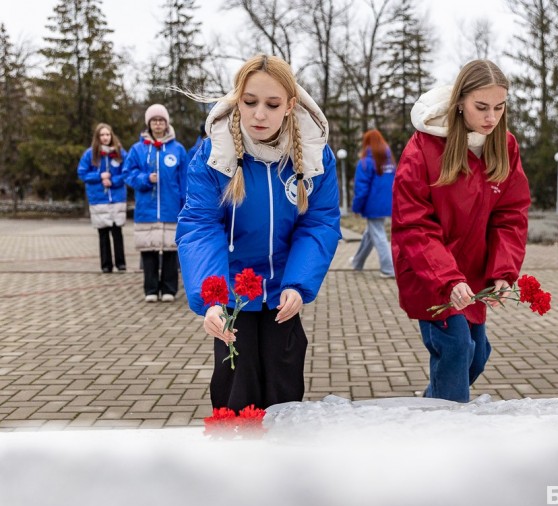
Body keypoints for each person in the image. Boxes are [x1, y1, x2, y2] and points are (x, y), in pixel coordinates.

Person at [176, 55, 341, 413]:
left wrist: (298, 284)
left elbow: (319, 222)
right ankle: (235, 458)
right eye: (249, 102)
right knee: (237, 381)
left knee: (284, 382)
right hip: (234, 295)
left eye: (272, 104)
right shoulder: (214, 155)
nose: (259, 114)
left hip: (283, 292)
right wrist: (213, 298)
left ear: (290, 106)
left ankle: (282, 461)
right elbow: (201, 228)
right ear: (238, 100)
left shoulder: (314, 157)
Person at [391, 59, 531, 403]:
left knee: (476, 354)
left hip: (473, 271)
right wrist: (446, 279)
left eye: (499, 108)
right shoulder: (423, 147)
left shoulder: (505, 146)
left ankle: (429, 409)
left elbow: (510, 215)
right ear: (459, 103)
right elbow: (414, 223)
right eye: (481, 107)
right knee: (456, 349)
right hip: (429, 271)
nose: (491, 117)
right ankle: (447, 440)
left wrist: (503, 271)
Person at [123, 104, 187, 302]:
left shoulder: (177, 149)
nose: (158, 124)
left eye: (161, 120)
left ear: (166, 123)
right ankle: (151, 289)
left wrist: (184, 204)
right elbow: (128, 174)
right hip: (146, 210)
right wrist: (144, 179)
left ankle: (169, 289)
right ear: (149, 124)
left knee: (170, 251)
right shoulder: (137, 149)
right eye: (154, 121)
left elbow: (185, 180)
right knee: (149, 251)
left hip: (171, 208)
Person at [77, 123, 128, 273]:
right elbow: (82, 173)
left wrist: (113, 181)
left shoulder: (120, 152)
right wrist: (99, 176)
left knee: (117, 232)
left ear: (111, 136)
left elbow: (126, 171)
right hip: (99, 199)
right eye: (102, 135)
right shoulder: (90, 154)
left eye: (107, 134)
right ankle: (106, 265)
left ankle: (121, 263)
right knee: (103, 233)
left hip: (116, 198)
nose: (105, 138)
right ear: (98, 137)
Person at [350, 129, 396, 278]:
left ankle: (389, 268)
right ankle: (357, 262)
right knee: (370, 234)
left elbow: (361, 188)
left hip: (372, 205)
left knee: (378, 234)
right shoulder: (389, 161)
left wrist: (356, 207)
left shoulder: (366, 162)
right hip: (387, 204)